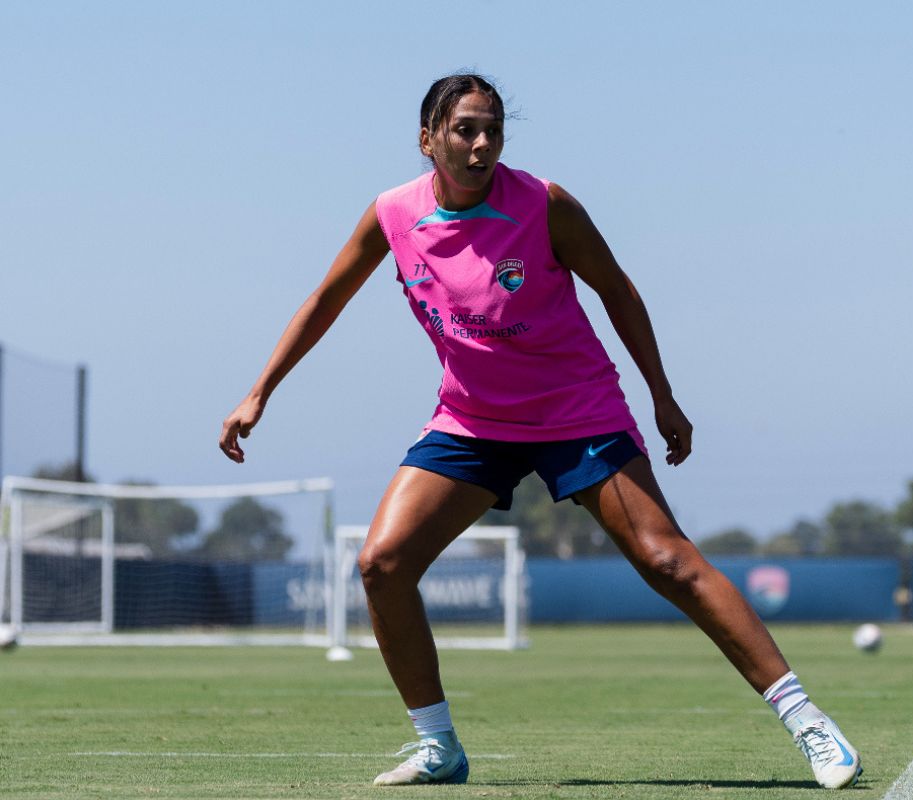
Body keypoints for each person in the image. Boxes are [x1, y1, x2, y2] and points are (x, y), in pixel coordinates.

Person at [219, 73, 862, 790]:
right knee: (382, 564)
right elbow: (326, 297)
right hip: (472, 421)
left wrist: (663, 396)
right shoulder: (391, 214)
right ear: (428, 139)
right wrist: (259, 391)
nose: (482, 143)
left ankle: (809, 722)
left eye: (493, 129)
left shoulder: (545, 204)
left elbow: (617, 290)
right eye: (465, 129)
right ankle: (439, 747)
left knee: (666, 561)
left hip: (575, 413)